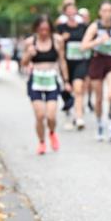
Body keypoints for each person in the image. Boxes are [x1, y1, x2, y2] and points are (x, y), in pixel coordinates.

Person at [20, 15, 70, 155]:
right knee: (40, 115)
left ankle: (52, 132)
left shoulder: (57, 40)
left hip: (51, 79)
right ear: (36, 29)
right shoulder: (30, 42)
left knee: (51, 116)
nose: (43, 32)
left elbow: (62, 61)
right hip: (35, 80)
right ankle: (42, 142)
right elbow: (23, 63)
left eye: (46, 29)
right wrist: (29, 55)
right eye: (41, 29)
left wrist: (66, 81)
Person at [81, 1, 111, 142]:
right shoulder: (95, 26)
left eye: (110, 10)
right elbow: (83, 46)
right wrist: (98, 41)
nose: (107, 13)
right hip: (97, 61)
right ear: (100, 13)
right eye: (104, 10)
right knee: (98, 99)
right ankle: (100, 124)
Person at [57, 0, 90, 130]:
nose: (71, 12)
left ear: (76, 11)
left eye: (73, 9)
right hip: (66, 63)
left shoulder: (83, 27)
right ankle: (68, 110)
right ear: (65, 12)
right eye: (68, 10)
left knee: (78, 88)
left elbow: (88, 41)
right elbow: (54, 44)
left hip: (80, 62)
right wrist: (61, 39)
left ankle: (79, 117)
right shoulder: (60, 28)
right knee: (67, 89)